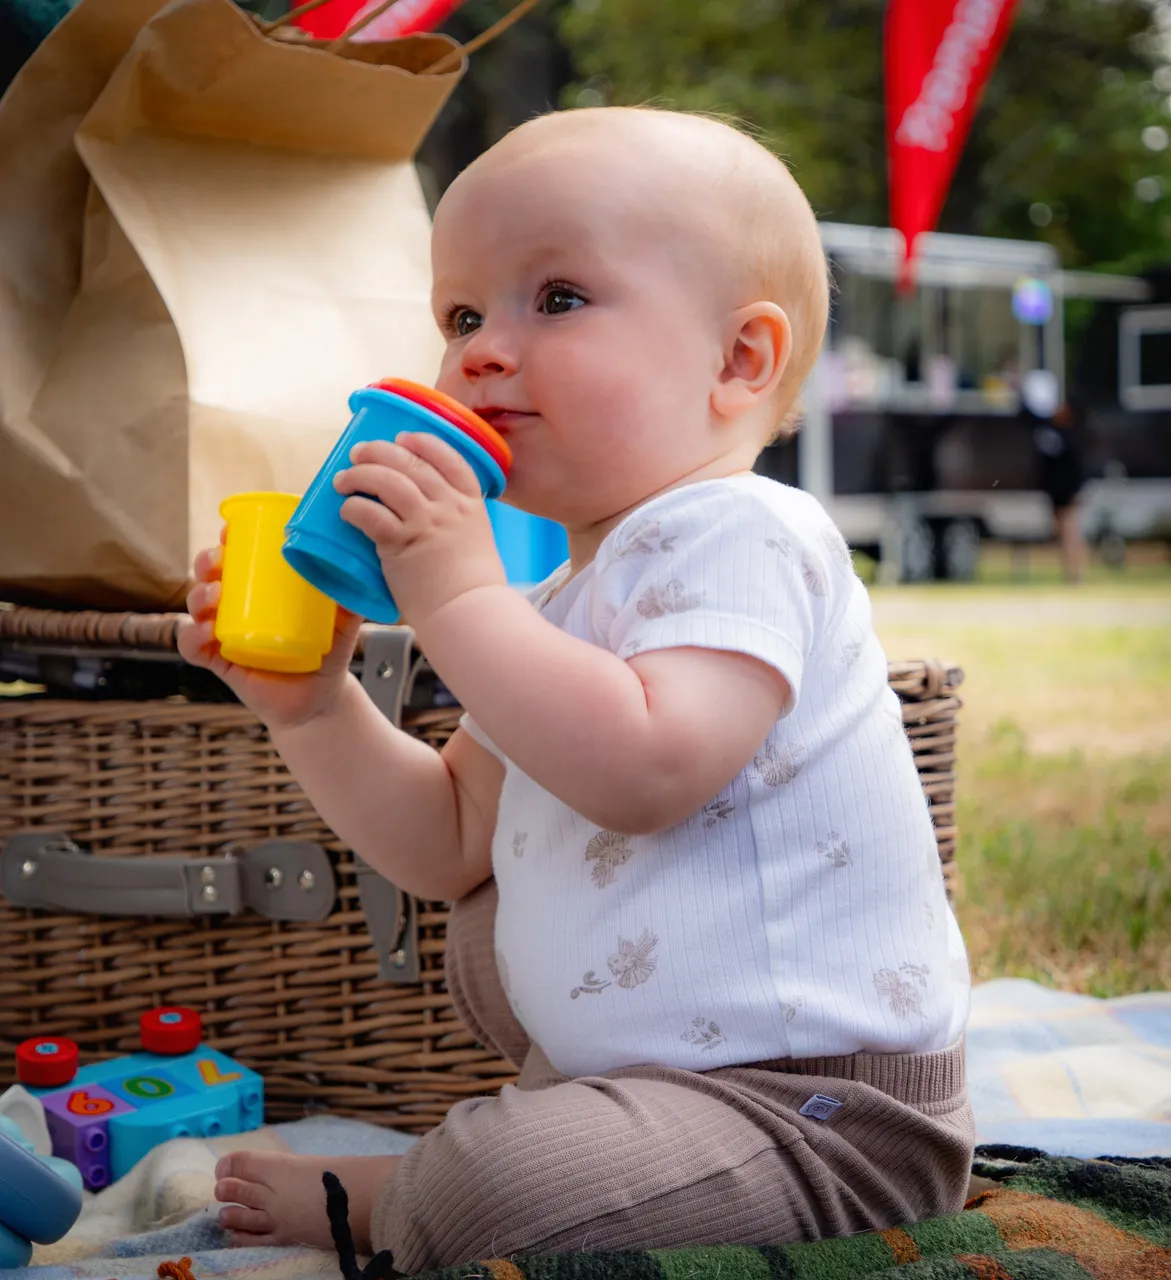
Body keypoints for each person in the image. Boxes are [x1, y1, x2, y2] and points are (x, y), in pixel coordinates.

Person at [177, 106, 973, 1272]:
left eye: (555, 299)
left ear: (737, 359)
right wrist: (314, 702)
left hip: (816, 1115)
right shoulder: (553, 607)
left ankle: (412, 1196)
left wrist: (453, 594)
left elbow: (646, 768)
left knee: (504, 1189)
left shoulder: (748, 531)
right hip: (642, 1082)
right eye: (460, 316)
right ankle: (492, 1158)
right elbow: (449, 839)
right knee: (489, 908)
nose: (480, 352)